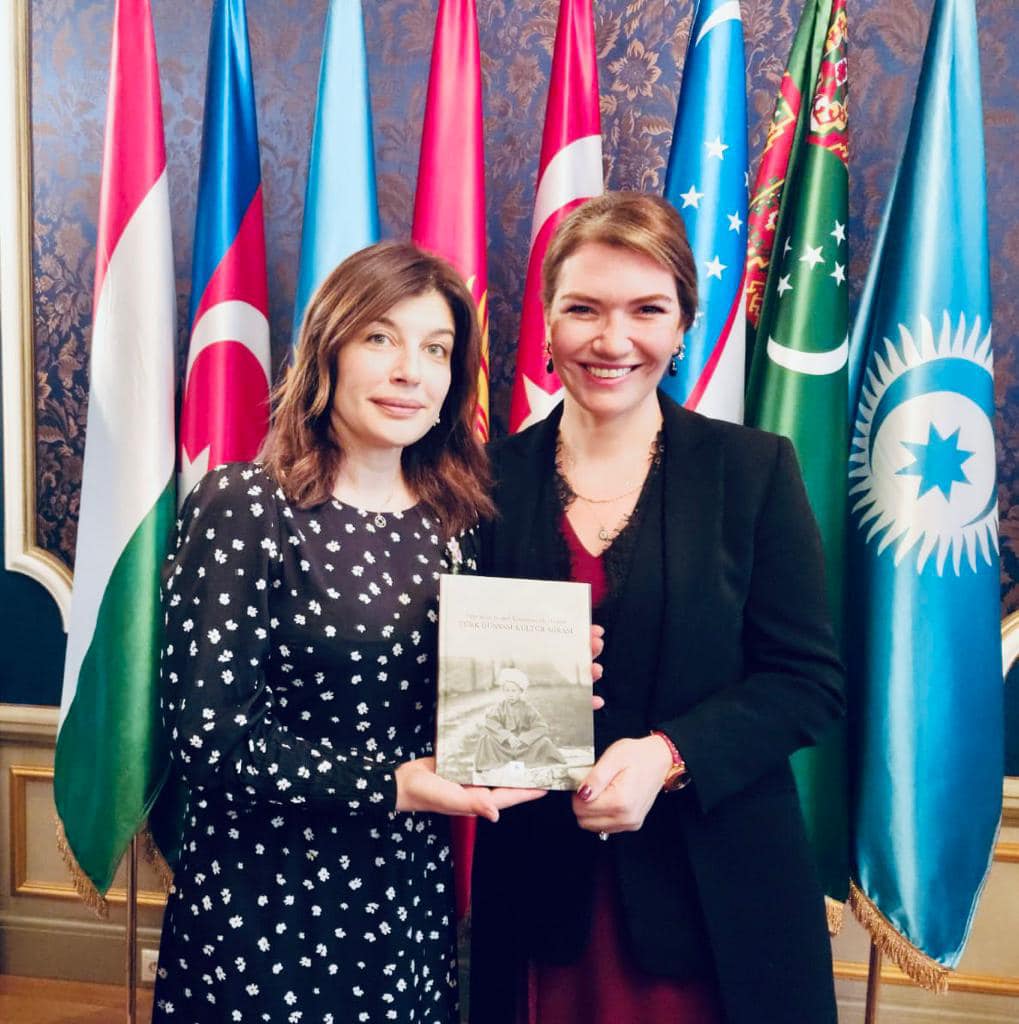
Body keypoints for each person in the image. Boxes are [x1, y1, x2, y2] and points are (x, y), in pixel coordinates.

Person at [470, 192, 846, 1024]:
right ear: (546, 323)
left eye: (646, 309)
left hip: (719, 900)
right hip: (539, 900)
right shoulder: (482, 483)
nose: (613, 340)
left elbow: (806, 682)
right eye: (583, 309)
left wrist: (667, 756)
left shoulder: (751, 470)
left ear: (682, 328)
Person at [153, 242, 544, 1023]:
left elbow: (466, 705)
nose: (409, 371)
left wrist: (542, 685)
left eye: (436, 349)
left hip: (405, 887)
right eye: (379, 338)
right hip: (266, 894)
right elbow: (206, 736)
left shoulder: (459, 523)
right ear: (326, 350)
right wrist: (389, 785)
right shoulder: (245, 506)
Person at [473, 667, 567, 777]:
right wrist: (507, 736)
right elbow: (491, 722)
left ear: (521, 691)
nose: (510, 694)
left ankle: (526, 760)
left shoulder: (528, 708)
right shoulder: (499, 707)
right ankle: (498, 761)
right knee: (486, 740)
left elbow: (541, 727)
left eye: (514, 691)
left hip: (523, 746)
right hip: (505, 745)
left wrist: (524, 738)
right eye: (507, 690)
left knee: (544, 742)